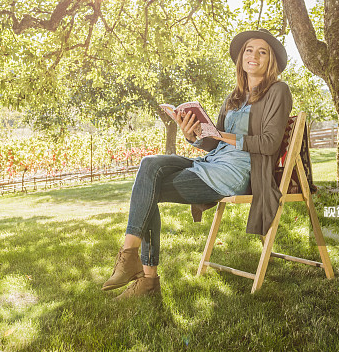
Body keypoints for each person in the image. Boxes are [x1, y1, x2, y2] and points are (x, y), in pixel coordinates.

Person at [102, 29, 293, 299]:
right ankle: (132, 259)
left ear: (270, 61)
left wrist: (221, 135)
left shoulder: (278, 91)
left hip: (235, 173)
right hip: (210, 161)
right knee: (149, 165)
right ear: (241, 58)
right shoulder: (233, 97)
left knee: (149, 191)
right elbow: (213, 144)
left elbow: (270, 142)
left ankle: (144, 277)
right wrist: (192, 135)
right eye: (249, 49)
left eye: (262, 52)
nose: (254, 55)